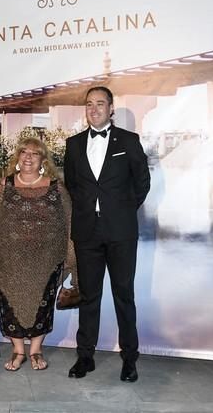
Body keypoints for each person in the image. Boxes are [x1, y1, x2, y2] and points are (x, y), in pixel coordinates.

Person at [64, 86, 150, 382]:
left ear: (111, 108)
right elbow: (73, 186)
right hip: (87, 232)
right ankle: (85, 357)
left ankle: (129, 360)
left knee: (123, 295)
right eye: (89, 104)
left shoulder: (129, 141)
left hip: (121, 232)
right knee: (89, 297)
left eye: (100, 104)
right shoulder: (73, 145)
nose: (94, 109)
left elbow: (142, 183)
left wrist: (121, 211)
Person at [0, 137, 76, 371]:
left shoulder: (56, 186)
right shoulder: (5, 185)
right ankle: (17, 351)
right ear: (18, 157)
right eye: (24, 152)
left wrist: (71, 255)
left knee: (43, 307)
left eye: (35, 153)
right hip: (10, 260)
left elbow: (69, 223)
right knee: (11, 307)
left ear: (43, 159)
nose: (28, 157)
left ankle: (35, 351)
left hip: (47, 260)